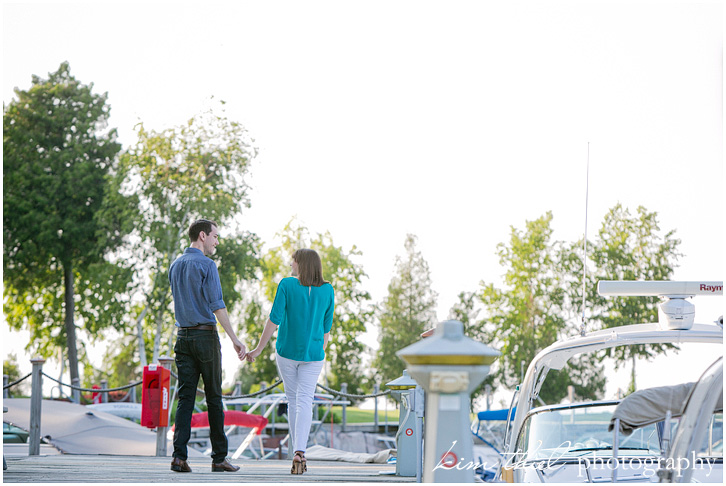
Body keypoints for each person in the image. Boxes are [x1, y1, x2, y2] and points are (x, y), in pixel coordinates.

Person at [246, 248, 334, 475]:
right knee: (305, 401)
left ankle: (297, 452)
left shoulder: (286, 285)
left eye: (293, 261)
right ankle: (300, 452)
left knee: (294, 400)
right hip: (313, 355)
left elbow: (273, 320)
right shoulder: (327, 290)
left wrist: (257, 350)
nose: (291, 263)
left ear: (301, 264)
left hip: (286, 352)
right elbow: (326, 327)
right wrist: (318, 350)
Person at [168, 219, 246, 473]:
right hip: (205, 337)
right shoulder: (207, 265)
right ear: (203, 236)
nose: (216, 241)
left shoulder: (175, 265)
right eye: (215, 236)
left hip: (182, 338)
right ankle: (219, 459)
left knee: (185, 399)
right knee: (214, 397)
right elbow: (217, 305)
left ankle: (179, 457)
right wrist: (235, 339)